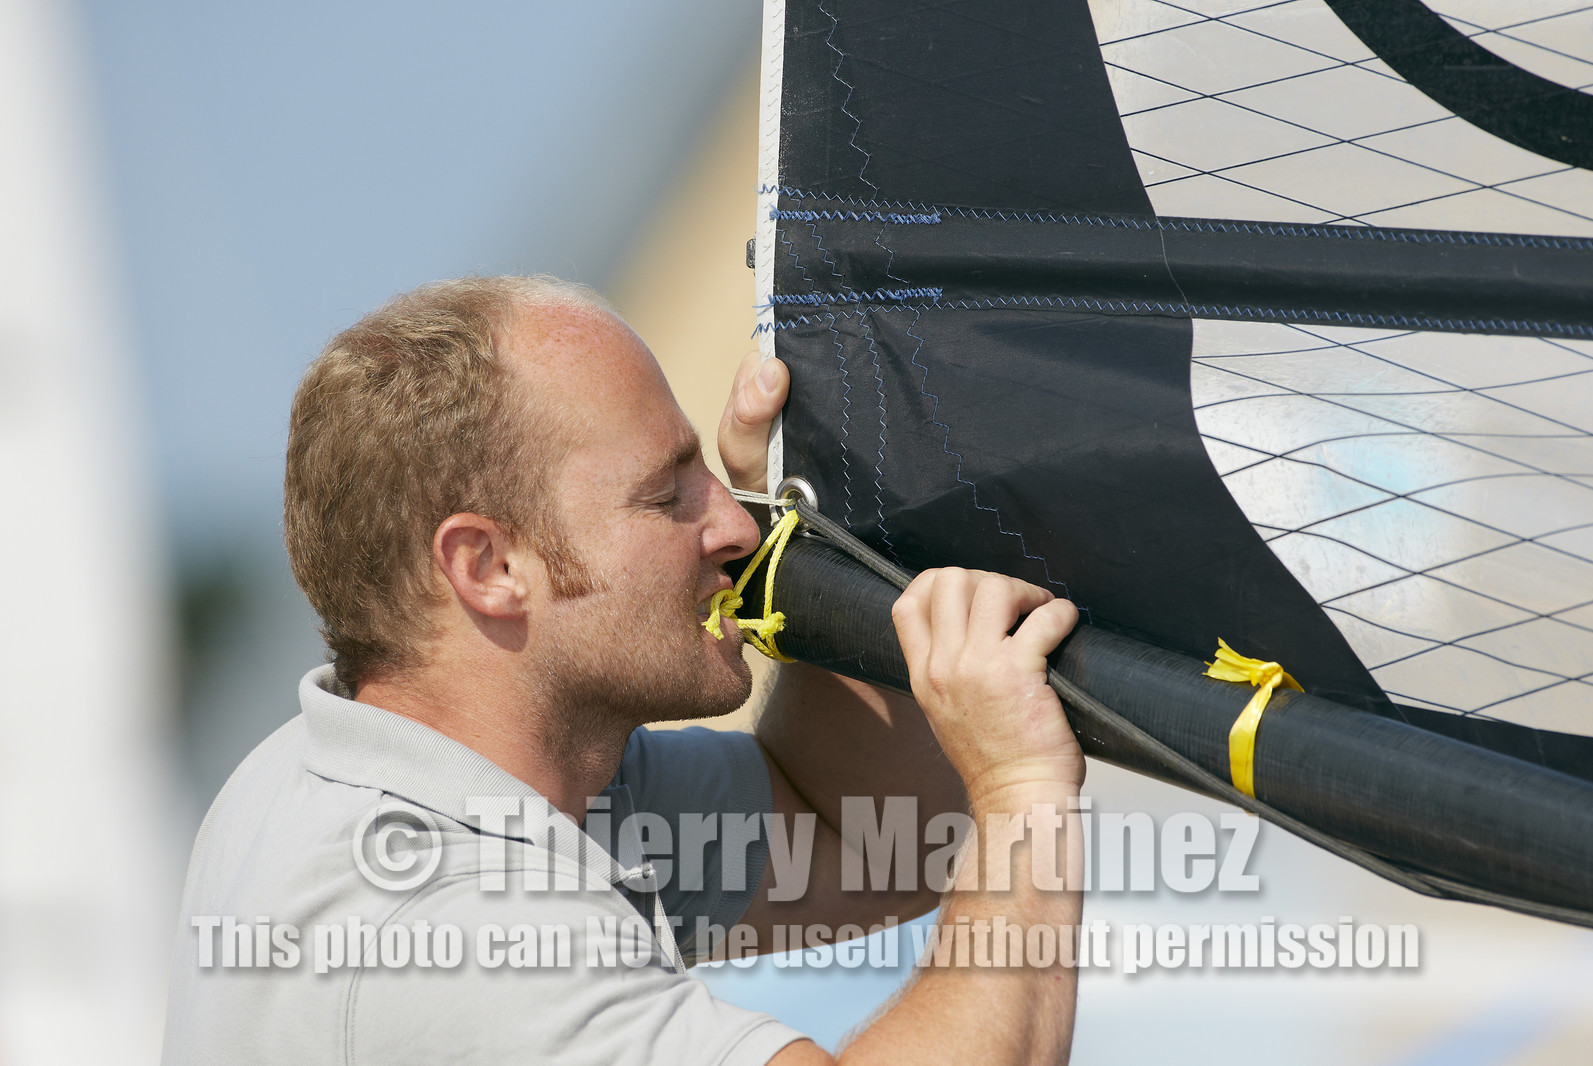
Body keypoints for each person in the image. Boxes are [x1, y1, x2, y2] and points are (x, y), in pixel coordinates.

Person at [161, 276, 1085, 1065]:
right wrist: (1022, 785)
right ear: (489, 568)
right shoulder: (441, 923)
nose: (737, 526)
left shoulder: (418, 775)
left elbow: (862, 838)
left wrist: (823, 540)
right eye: (667, 493)